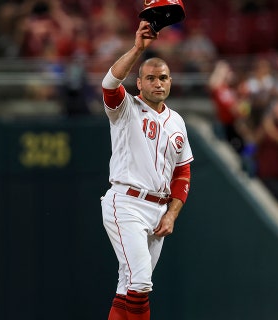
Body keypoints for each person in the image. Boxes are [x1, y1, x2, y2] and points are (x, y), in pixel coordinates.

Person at [100, 21, 193, 320]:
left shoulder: (177, 121)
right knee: (141, 282)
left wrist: (172, 214)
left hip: (158, 210)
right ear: (139, 83)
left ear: (170, 81)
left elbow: (183, 173)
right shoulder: (125, 108)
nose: (157, 83)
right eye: (150, 78)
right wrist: (138, 48)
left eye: (163, 77)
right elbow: (109, 85)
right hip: (126, 202)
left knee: (127, 285)